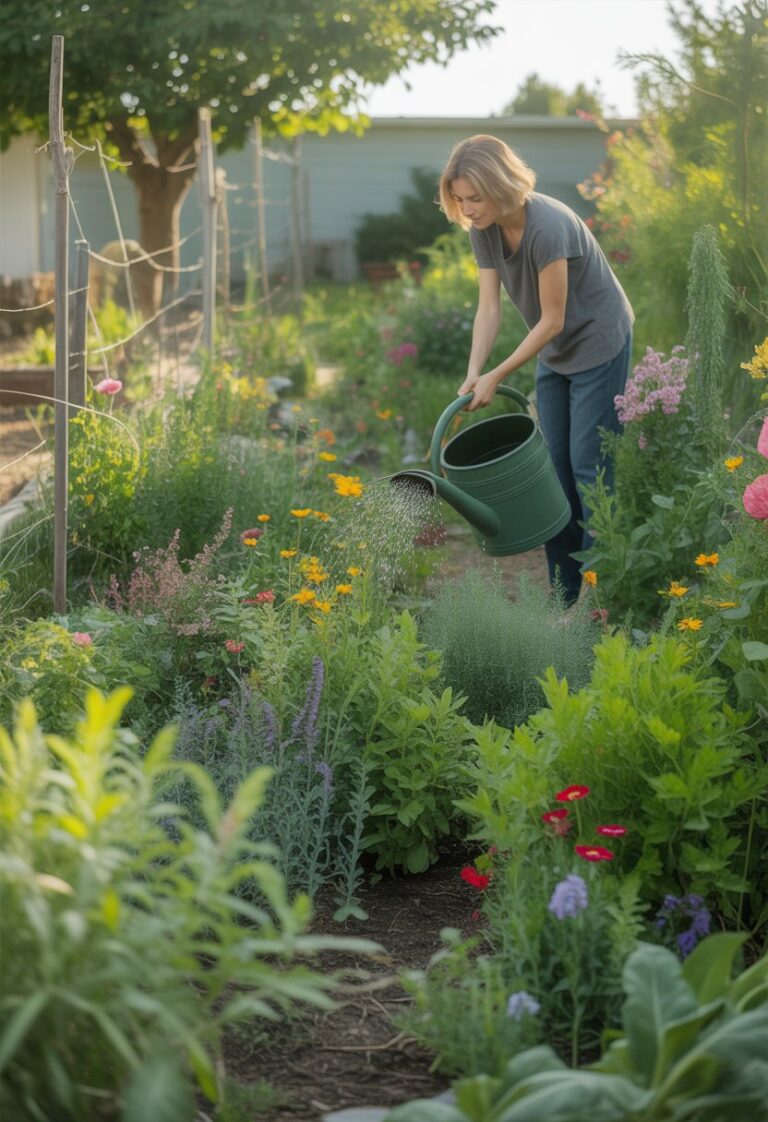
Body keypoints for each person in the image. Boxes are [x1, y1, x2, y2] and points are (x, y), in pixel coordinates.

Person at [438, 134, 634, 606]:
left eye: (475, 198)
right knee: (553, 470)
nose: (467, 209)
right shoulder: (484, 229)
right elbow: (489, 308)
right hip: (555, 353)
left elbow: (553, 320)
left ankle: (596, 599)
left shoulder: (548, 226)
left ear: (500, 185)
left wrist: (498, 375)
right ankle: (564, 594)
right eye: (460, 200)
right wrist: (475, 370)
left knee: (589, 468)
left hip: (598, 345)